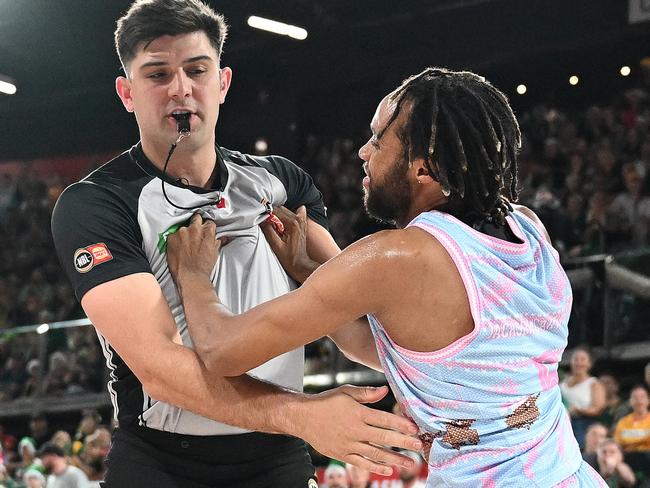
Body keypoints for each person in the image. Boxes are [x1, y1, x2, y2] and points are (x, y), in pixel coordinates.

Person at [166, 67, 607, 485]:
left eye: (379, 140)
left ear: (423, 169)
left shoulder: (397, 257)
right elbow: (413, 355)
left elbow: (223, 351)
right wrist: (305, 269)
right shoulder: (527, 226)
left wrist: (193, 276)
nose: (363, 152)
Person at [50, 0, 419, 486]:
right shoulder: (96, 203)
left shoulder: (282, 182)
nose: (180, 89)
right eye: (157, 74)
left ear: (222, 83)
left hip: (276, 459)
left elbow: (357, 324)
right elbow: (158, 368)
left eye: (196, 70)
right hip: (160, 461)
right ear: (127, 93)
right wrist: (302, 415)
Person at [560, 348, 606, 449]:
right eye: (576, 359)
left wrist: (578, 410)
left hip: (584, 424)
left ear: (589, 364)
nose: (579, 363)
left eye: (583, 359)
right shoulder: (562, 384)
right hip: (562, 423)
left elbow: (598, 409)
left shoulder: (594, 384)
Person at [614, 385, 650, 452]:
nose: (638, 400)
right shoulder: (623, 422)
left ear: (648, 400)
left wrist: (630, 442)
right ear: (630, 401)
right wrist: (644, 440)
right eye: (635, 397)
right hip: (628, 456)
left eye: (642, 397)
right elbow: (618, 444)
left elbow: (624, 441)